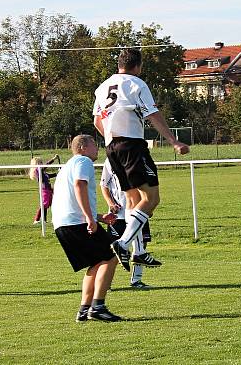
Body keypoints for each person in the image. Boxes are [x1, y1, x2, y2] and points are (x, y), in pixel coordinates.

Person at [93, 48, 189, 271]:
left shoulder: (102, 87)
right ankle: (123, 244)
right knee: (152, 199)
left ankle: (139, 251)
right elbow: (152, 113)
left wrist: (110, 137)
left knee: (133, 200)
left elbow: (98, 121)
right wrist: (173, 141)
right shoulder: (136, 83)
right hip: (132, 146)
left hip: (112, 147)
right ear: (138, 66)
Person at [51, 135, 122, 322]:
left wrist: (99, 217)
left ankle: (84, 309)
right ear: (82, 147)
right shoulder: (83, 161)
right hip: (76, 223)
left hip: (63, 224)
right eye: (94, 145)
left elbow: (71, 201)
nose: (97, 149)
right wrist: (91, 219)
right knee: (112, 256)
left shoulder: (66, 167)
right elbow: (79, 186)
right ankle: (98, 307)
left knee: (97, 262)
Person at [100, 159, 152, 289]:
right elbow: (104, 185)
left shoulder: (140, 156)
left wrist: (148, 206)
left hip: (138, 212)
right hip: (118, 215)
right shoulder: (110, 160)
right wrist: (111, 203)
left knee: (140, 246)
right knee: (114, 250)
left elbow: (148, 186)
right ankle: (106, 283)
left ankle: (136, 281)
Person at [29, 154, 60, 224]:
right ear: (36, 164)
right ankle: (36, 220)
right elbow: (46, 165)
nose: (42, 164)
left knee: (49, 204)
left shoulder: (42, 172)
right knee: (44, 205)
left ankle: (44, 220)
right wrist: (53, 159)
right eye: (40, 162)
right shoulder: (37, 170)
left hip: (49, 189)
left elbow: (49, 175)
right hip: (44, 190)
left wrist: (57, 173)